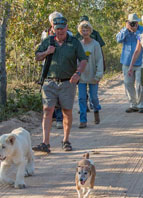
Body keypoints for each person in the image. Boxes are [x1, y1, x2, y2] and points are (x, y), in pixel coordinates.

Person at [33, 16, 87, 153]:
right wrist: (46, 52)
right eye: (57, 29)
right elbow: (37, 57)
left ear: (67, 28)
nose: (60, 31)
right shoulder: (48, 41)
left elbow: (83, 60)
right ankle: (45, 143)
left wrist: (78, 73)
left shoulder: (74, 42)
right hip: (50, 82)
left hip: (67, 82)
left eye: (62, 29)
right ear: (53, 29)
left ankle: (66, 140)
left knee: (66, 111)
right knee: (47, 110)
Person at [41, 11, 73, 129]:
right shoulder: (45, 33)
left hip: (63, 67)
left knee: (61, 94)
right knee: (49, 93)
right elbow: (41, 48)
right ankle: (52, 116)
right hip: (48, 66)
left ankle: (60, 118)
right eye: (53, 21)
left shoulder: (68, 34)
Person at [116, 13, 143, 113]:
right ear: (128, 22)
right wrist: (126, 29)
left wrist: (136, 31)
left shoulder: (142, 30)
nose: (134, 24)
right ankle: (133, 104)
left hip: (140, 61)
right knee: (128, 83)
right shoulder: (125, 30)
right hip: (127, 61)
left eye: (135, 22)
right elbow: (118, 39)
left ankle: (141, 105)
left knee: (140, 84)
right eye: (131, 23)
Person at [77, 21, 104, 128]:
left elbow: (99, 60)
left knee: (93, 97)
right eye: (83, 30)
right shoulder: (79, 44)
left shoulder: (95, 44)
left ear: (90, 31)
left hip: (93, 75)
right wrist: (76, 72)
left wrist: (98, 75)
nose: (85, 32)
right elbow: (76, 59)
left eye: (87, 30)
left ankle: (96, 110)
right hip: (82, 76)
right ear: (80, 31)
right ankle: (83, 120)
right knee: (82, 98)